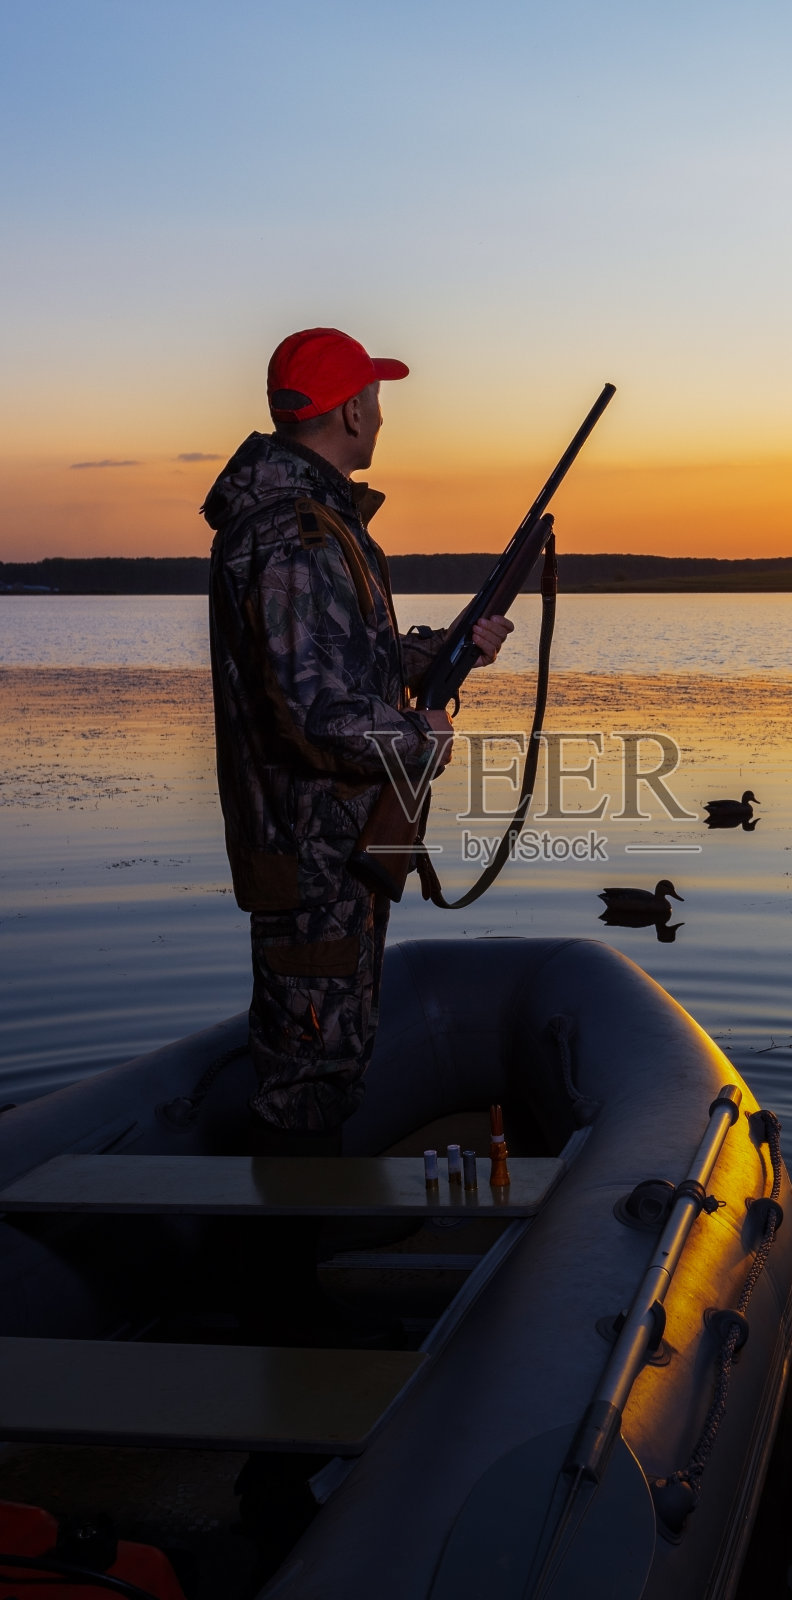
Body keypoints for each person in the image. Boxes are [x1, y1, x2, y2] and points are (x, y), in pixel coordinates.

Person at [203, 327, 512, 1152]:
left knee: (328, 1068)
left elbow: (338, 663)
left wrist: (442, 652)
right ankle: (284, 1271)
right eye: (373, 395)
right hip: (314, 861)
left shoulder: (311, 524)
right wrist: (421, 732)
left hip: (327, 853)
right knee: (307, 1086)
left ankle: (304, 1251)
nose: (380, 411)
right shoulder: (295, 536)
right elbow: (316, 716)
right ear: (348, 408)